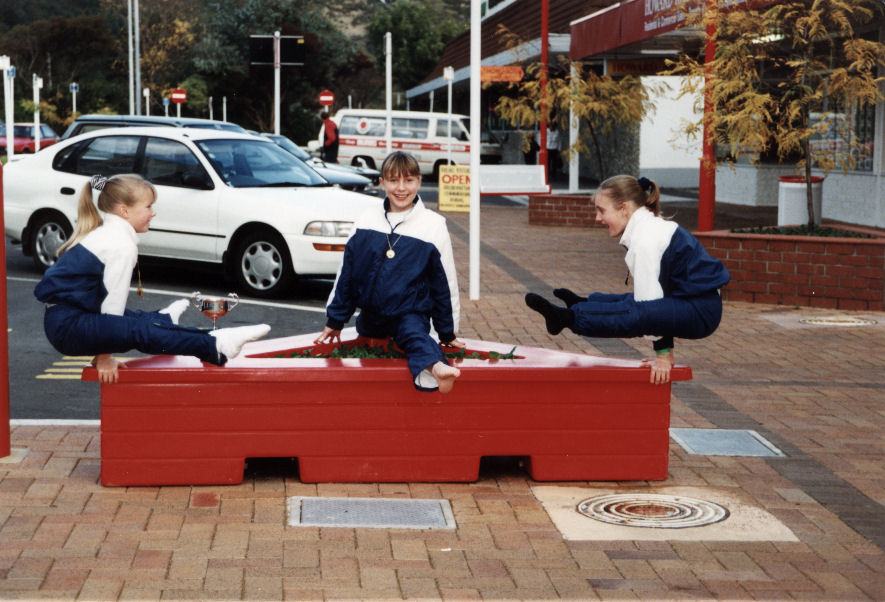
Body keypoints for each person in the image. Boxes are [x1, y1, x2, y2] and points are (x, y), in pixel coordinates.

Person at [34, 174, 270, 384]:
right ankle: (215, 345)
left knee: (139, 321)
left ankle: (163, 319)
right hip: (68, 327)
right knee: (139, 331)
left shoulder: (109, 233)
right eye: (148, 206)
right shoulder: (119, 244)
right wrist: (104, 357)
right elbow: (112, 308)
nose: (153, 212)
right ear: (124, 211)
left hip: (69, 318)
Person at [524, 174, 730, 385]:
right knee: (629, 302)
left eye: (602, 210)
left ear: (624, 208)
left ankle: (567, 318)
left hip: (701, 311)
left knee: (634, 314)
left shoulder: (645, 240)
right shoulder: (648, 228)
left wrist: (663, 356)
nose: (598, 218)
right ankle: (583, 304)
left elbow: (649, 310)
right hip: (695, 302)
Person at [314, 151, 464, 393]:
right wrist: (335, 320)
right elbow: (347, 274)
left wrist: (447, 330)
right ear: (382, 183)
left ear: (419, 182)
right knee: (396, 335)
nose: (401, 188)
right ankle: (433, 366)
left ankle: (437, 369)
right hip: (371, 317)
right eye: (394, 181)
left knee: (415, 334)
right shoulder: (366, 220)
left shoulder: (433, 225)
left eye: (409, 180)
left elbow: (444, 283)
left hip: (409, 313)